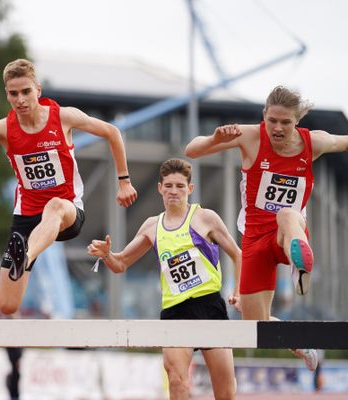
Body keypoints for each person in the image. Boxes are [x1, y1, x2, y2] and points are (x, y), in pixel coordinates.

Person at [0, 58, 137, 315]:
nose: (21, 100)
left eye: (26, 92)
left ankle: (25, 256)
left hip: (67, 211)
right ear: (7, 95)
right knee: (7, 305)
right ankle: (23, 257)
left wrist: (124, 181)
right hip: (27, 217)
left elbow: (112, 132)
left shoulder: (63, 117)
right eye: (13, 94)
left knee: (55, 205)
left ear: (38, 90)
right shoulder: (3, 129)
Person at [185, 85, 348, 371]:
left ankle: (299, 262)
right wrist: (214, 138)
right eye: (272, 120)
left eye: (286, 122)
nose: (277, 128)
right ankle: (301, 344)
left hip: (289, 232)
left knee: (287, 214)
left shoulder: (315, 143)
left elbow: (343, 141)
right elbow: (192, 150)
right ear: (264, 116)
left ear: (297, 121)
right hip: (254, 241)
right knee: (254, 327)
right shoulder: (250, 136)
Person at [88, 158, 241, 400]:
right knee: (177, 381)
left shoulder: (205, 218)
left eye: (180, 186)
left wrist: (240, 291)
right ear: (160, 188)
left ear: (190, 189)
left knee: (226, 393)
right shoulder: (152, 226)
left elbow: (237, 254)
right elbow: (121, 263)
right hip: (175, 311)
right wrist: (107, 255)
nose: (174, 191)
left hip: (209, 306)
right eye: (168, 185)